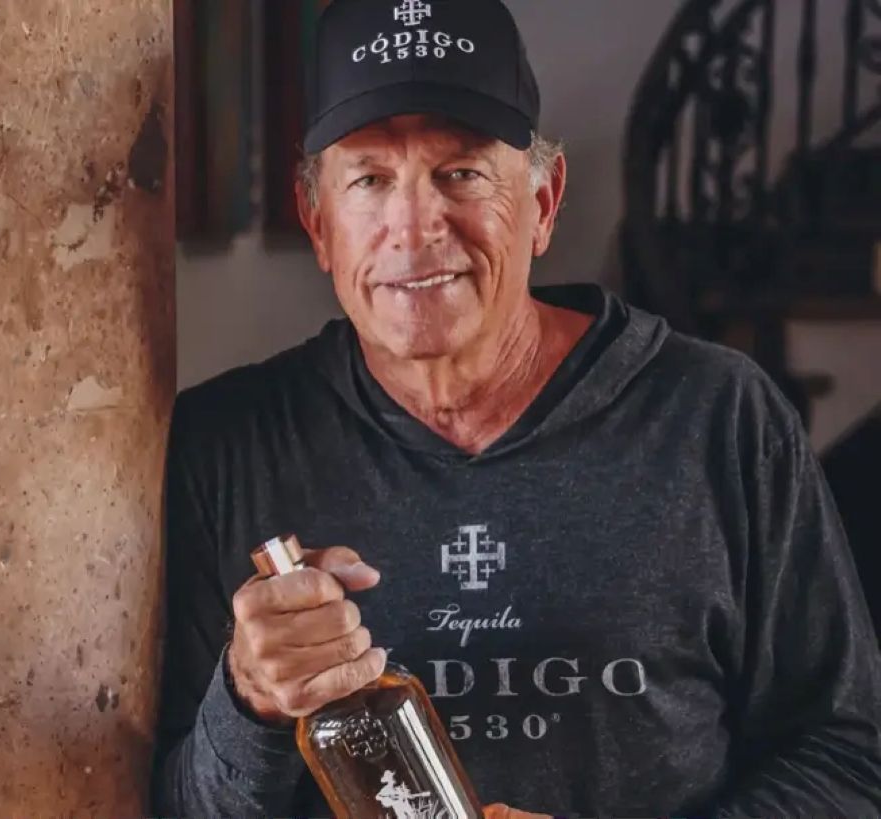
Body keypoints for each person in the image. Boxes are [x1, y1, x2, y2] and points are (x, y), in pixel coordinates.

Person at [152, 0, 881, 815]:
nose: (414, 228)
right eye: (368, 179)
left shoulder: (721, 419)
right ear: (318, 223)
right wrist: (249, 698)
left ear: (544, 201)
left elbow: (850, 761)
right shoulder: (225, 447)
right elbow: (167, 804)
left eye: (460, 172)